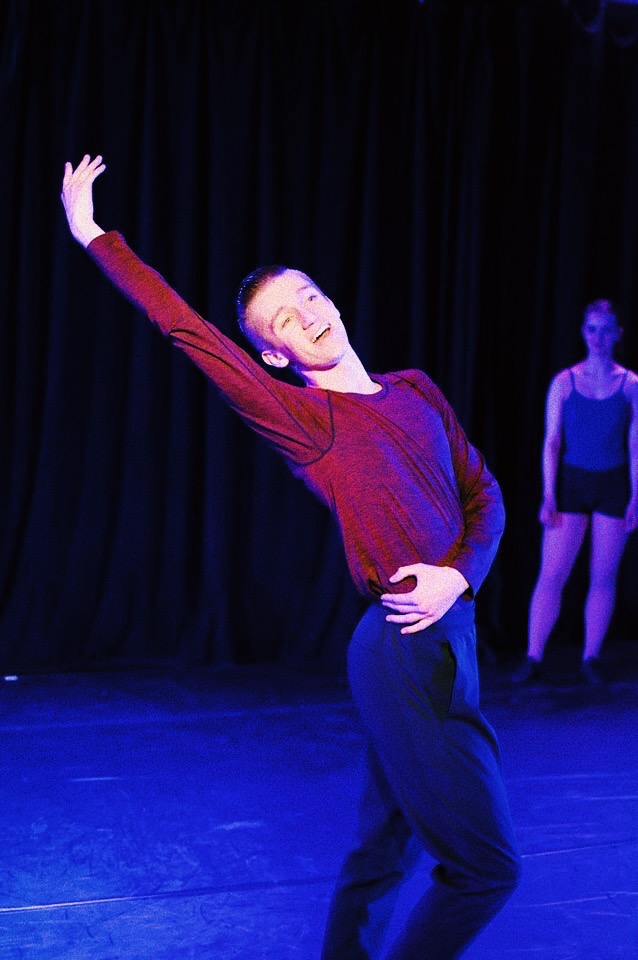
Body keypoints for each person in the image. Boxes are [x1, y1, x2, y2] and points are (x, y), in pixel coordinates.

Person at [61, 154, 521, 959]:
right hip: (403, 651)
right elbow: (187, 330)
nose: (304, 316)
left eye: (307, 296)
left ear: (330, 299)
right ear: (275, 356)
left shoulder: (416, 389)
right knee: (486, 870)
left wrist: (458, 574)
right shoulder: (308, 423)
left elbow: (486, 495)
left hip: (451, 631)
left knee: (383, 849)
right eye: (281, 321)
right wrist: (93, 233)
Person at [513, 299, 638, 688]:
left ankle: (591, 658)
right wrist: (548, 494)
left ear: (617, 334)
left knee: (603, 576)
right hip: (571, 485)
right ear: (584, 333)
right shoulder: (564, 382)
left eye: (606, 330)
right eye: (592, 329)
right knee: (552, 574)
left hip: (612, 485)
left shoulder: (631, 384)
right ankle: (533, 656)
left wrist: (636, 496)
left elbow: (635, 444)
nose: (598, 337)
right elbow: (551, 441)